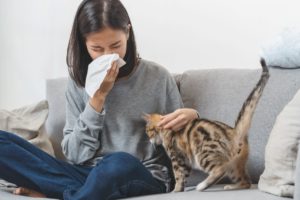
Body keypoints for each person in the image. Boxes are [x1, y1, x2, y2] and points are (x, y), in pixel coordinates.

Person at [0, 0, 199, 199]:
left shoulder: (157, 77)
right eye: (97, 48)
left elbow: (182, 147)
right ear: (84, 43)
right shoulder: (78, 83)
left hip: (140, 173)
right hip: (87, 175)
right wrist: (98, 98)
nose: (108, 56)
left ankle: (64, 192)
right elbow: (75, 155)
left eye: (115, 45)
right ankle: (78, 193)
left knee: (119, 161)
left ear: (127, 33)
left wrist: (192, 117)